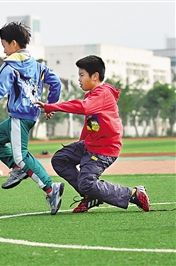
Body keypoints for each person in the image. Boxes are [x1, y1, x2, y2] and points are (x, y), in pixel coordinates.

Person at [34, 55, 150, 213]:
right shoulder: (92, 95)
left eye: (82, 75)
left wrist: (52, 106)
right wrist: (80, 145)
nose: (79, 79)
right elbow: (91, 125)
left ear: (95, 76)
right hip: (90, 145)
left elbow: (83, 107)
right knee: (60, 160)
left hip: (104, 150)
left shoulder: (102, 94)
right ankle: (91, 196)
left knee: (87, 183)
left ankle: (134, 194)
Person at [0, 22, 63, 215]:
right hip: (31, 115)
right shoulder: (38, 66)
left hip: (19, 116)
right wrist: (50, 104)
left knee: (21, 155)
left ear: (14, 44)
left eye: (4, 45)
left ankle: (51, 189)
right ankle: (18, 168)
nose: (4, 50)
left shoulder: (10, 65)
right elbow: (56, 83)